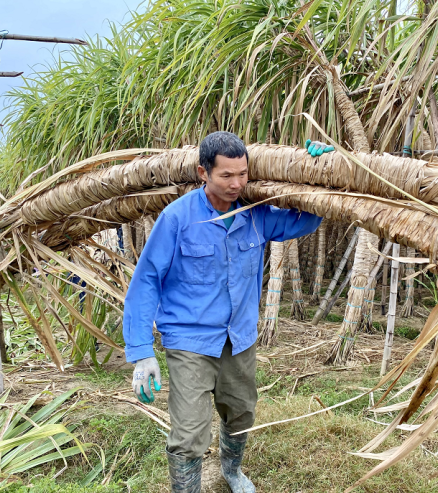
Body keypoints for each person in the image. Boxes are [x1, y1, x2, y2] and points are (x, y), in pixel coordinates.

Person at [122, 132, 333, 492]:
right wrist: (142, 352)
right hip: (190, 340)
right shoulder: (177, 219)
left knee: (240, 414)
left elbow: (307, 219)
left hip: (239, 338)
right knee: (189, 433)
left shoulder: (256, 215)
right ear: (203, 172)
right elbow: (146, 282)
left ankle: (232, 471)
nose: (236, 184)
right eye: (226, 176)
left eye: (243, 174)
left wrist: (317, 168)